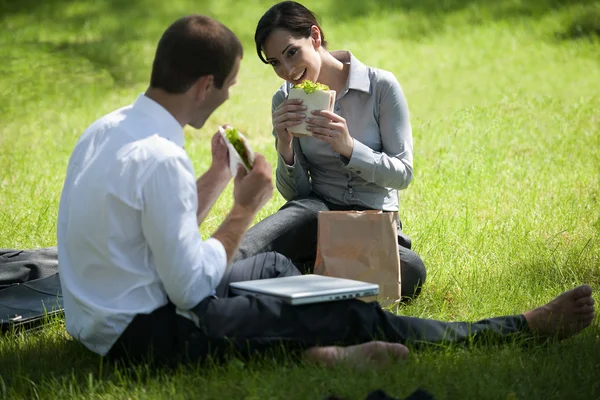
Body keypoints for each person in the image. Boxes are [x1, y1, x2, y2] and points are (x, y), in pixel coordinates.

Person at [56, 14, 595, 368]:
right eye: (231, 83)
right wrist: (244, 206)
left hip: (106, 316)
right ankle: (512, 329)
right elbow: (191, 291)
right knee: (344, 310)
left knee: (274, 274)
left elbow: (159, 233)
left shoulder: (110, 129)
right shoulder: (162, 157)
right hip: (147, 334)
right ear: (204, 87)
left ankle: (313, 345)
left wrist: (220, 176)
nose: (234, 92)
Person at [234, 1, 426, 300]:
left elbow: (403, 174)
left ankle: (296, 272)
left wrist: (349, 147)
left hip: (371, 223)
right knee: (288, 224)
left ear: (315, 37)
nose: (287, 70)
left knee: (411, 269)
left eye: (291, 52)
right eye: (275, 62)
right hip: (316, 215)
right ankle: (209, 271)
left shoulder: (380, 87)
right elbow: (296, 195)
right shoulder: (284, 99)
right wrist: (284, 145)